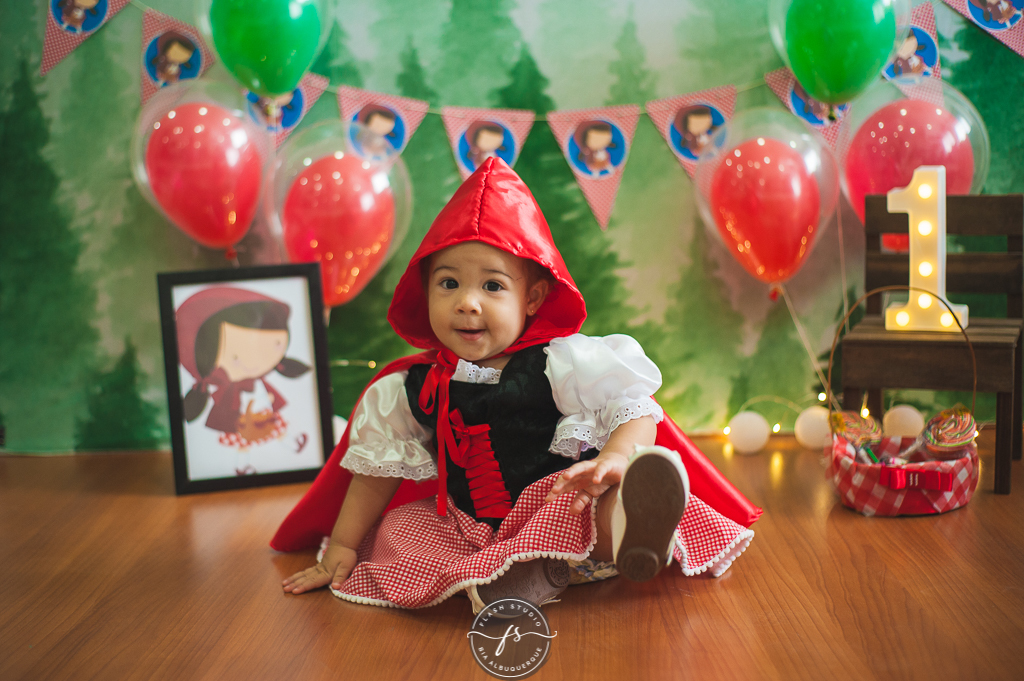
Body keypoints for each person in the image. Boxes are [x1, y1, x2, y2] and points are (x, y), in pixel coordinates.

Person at [276, 158, 760, 610]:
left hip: (551, 501)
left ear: (532, 299)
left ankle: (632, 530)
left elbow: (633, 409)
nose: (467, 303)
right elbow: (374, 477)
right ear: (425, 291)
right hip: (467, 525)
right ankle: (515, 577)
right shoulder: (410, 387)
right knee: (399, 527)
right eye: (448, 284)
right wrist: (341, 545)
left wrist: (615, 459)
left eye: (492, 286)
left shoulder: (561, 363)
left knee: (587, 499)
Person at [176, 287, 311, 473]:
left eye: (275, 346)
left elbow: (265, 394)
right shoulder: (229, 390)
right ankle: (242, 467)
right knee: (243, 442)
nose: (256, 362)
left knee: (276, 429)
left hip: (262, 412)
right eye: (237, 357)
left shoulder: (258, 382)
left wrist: (269, 400)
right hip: (244, 419)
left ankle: (293, 445)